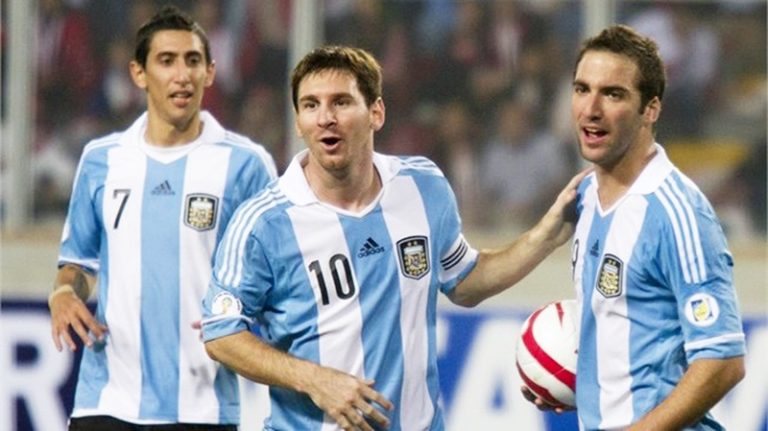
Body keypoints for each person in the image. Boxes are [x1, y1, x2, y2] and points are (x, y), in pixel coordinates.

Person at [200, 45, 587, 431]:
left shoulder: (422, 186)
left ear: (376, 112)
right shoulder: (263, 223)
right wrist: (314, 380)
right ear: (298, 122)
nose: (326, 118)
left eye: (341, 102)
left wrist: (546, 236)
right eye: (310, 105)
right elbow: (221, 333)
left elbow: (465, 281)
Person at [48, 5, 277, 430]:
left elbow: (278, 274)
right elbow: (78, 263)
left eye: (193, 61)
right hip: (106, 402)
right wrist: (63, 293)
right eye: (167, 61)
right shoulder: (101, 160)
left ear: (210, 72)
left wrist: (242, 317)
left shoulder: (246, 165)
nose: (182, 75)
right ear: (139, 73)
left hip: (204, 408)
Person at [523, 25, 746, 430]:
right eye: (582, 89)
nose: (591, 109)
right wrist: (575, 384)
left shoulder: (676, 212)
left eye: (613, 94)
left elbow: (723, 361)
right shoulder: (584, 196)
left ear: (651, 109)